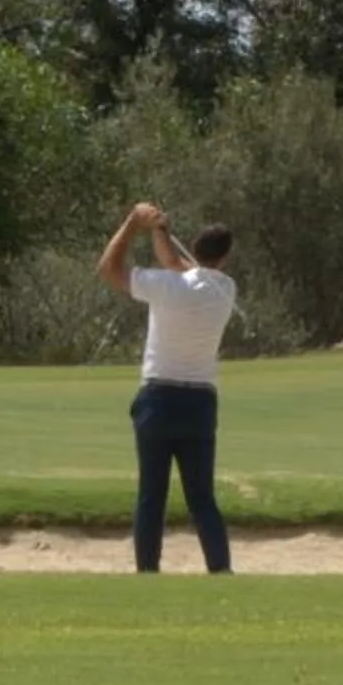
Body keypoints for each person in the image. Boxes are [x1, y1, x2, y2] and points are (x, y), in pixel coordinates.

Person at [96, 200, 237, 574]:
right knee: (202, 499)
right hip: (201, 403)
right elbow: (181, 266)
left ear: (195, 245)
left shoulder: (165, 286)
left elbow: (108, 270)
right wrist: (160, 232)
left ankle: (147, 574)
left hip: (158, 400)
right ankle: (221, 572)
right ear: (225, 257)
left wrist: (133, 224)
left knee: (151, 497)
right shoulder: (225, 289)